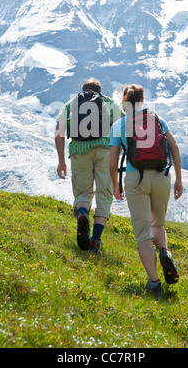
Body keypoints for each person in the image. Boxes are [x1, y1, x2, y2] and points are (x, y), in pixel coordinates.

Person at [109, 84, 183, 299]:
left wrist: (116, 185)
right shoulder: (157, 120)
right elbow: (174, 147)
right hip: (161, 176)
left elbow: (113, 162)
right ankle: (164, 253)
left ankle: (154, 283)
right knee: (157, 224)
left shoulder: (120, 125)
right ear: (143, 99)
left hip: (136, 178)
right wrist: (178, 178)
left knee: (143, 234)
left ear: (124, 101)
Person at [55, 78, 124, 253]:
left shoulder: (72, 103)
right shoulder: (109, 103)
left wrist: (61, 160)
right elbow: (123, 128)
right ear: (100, 92)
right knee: (104, 195)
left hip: (79, 151)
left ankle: (83, 214)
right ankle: (95, 242)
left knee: (83, 193)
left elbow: (59, 130)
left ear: (82, 90)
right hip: (106, 152)